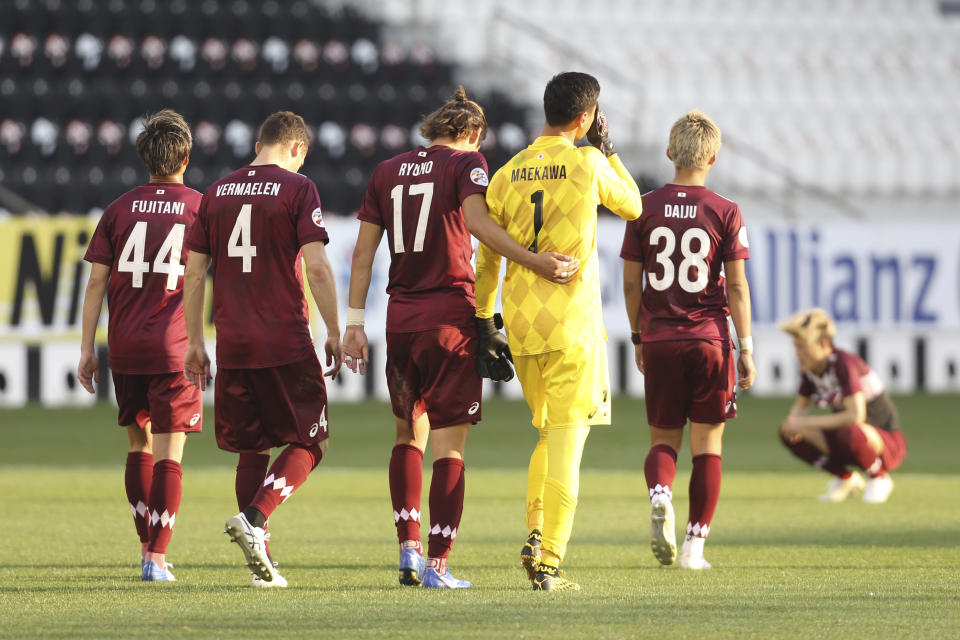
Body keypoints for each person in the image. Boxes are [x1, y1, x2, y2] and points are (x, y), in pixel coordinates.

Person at [343, 87, 579, 589]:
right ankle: (437, 565)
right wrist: (535, 260)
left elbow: (362, 254)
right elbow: (477, 224)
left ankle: (407, 550)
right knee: (449, 449)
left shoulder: (386, 171)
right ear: (473, 135)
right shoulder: (467, 166)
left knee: (408, 435)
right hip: (448, 318)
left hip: (400, 321)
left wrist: (354, 322)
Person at [475, 72, 642, 591]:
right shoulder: (588, 162)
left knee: (547, 433)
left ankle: (534, 533)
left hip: (522, 326)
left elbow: (486, 258)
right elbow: (634, 207)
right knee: (569, 441)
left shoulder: (506, 173)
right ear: (586, 117)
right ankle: (549, 561)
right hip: (573, 326)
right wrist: (608, 148)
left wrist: (484, 322)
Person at [182, 111, 343, 588]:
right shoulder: (299, 189)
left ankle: (262, 564)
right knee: (312, 442)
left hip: (233, 340)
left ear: (259, 144)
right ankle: (255, 519)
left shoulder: (215, 193)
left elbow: (193, 273)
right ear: (296, 149)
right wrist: (335, 328)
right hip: (284, 337)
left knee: (251, 450)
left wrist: (195, 341)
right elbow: (316, 267)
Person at [621, 109, 755, 571]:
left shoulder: (643, 206)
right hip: (709, 339)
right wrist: (749, 347)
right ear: (713, 157)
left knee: (663, 439)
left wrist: (638, 335)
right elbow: (736, 287)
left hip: (659, 338)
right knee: (708, 447)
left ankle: (660, 494)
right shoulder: (726, 210)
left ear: (668, 153)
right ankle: (695, 548)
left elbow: (630, 283)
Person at [77, 109, 203, 582]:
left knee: (138, 444)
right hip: (174, 348)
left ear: (143, 157)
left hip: (125, 346)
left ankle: (147, 550)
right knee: (170, 454)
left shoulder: (118, 208)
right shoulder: (198, 207)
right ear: (186, 157)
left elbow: (94, 285)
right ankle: (157, 558)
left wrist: (88, 348)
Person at [778, 308, 906, 503]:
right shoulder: (811, 372)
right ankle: (845, 478)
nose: (797, 354)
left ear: (823, 344)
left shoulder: (844, 364)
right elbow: (797, 414)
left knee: (848, 429)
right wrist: (793, 426)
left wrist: (807, 423)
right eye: (796, 348)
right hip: (849, 437)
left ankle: (878, 477)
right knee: (788, 431)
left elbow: (856, 416)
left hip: (886, 442)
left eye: (802, 347)